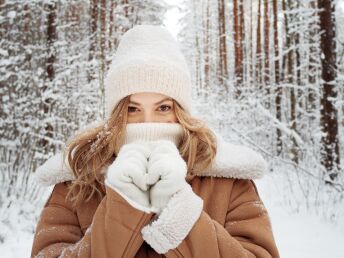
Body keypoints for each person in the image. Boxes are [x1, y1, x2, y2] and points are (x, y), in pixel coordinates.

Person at [31, 25, 280, 258]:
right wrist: (123, 207)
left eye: (163, 107)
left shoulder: (228, 181)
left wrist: (180, 212)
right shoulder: (78, 181)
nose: (147, 122)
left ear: (180, 111)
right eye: (132, 109)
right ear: (115, 114)